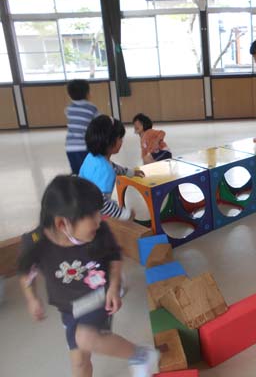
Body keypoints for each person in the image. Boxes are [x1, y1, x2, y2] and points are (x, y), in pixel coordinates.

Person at [18, 175, 158, 377]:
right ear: (62, 224)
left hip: (98, 296)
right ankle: (139, 355)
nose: (99, 220)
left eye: (98, 212)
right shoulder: (36, 242)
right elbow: (26, 272)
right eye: (91, 215)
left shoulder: (99, 232)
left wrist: (113, 287)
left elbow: (114, 257)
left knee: (85, 338)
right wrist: (32, 298)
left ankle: (141, 355)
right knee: (79, 363)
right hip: (68, 308)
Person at [79, 115, 144, 220]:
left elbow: (114, 167)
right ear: (109, 142)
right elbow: (102, 204)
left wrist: (131, 173)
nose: (122, 141)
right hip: (90, 215)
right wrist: (125, 214)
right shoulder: (106, 171)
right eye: (120, 138)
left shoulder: (91, 157)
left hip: (80, 202)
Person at [65, 80, 99, 175]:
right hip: (84, 146)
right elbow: (99, 121)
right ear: (87, 93)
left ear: (70, 95)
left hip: (70, 146)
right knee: (89, 171)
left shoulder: (69, 108)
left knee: (77, 172)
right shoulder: (92, 108)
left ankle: (77, 181)